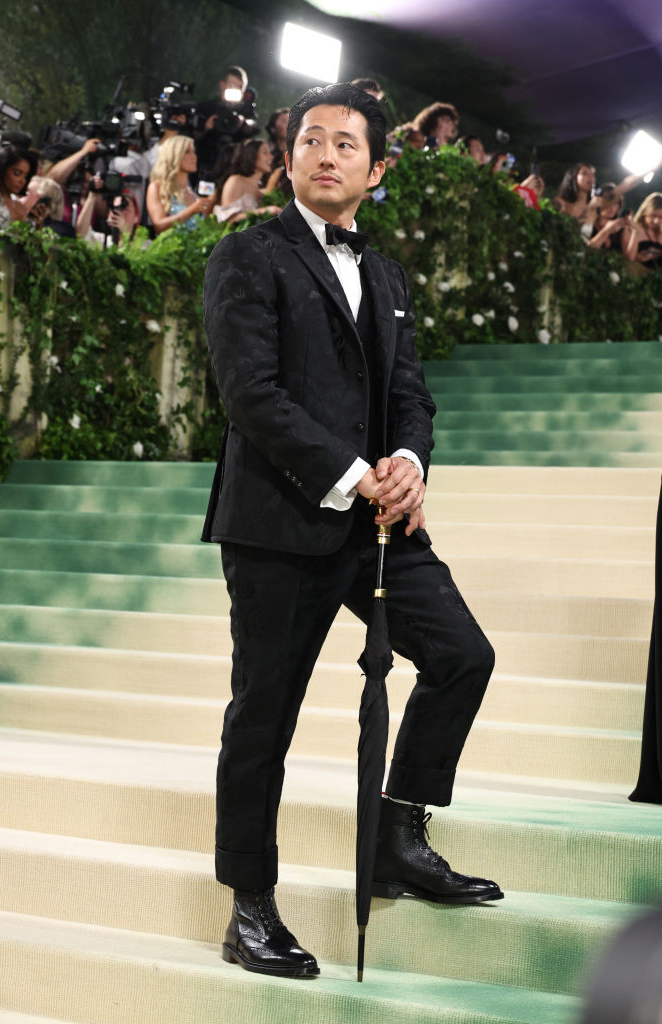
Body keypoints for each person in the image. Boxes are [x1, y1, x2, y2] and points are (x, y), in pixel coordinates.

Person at [202, 82, 502, 981]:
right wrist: (351, 473)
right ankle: (249, 909)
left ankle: (396, 839)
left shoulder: (386, 271)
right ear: (288, 157)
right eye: (310, 141)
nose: (325, 154)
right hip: (279, 524)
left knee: (460, 655)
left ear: (375, 169)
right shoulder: (248, 256)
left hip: (378, 523)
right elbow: (251, 395)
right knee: (263, 720)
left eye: (345, 145)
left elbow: (409, 390)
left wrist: (409, 461)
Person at [146, 135, 214, 234]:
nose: (193, 156)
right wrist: (191, 210)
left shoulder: (193, 191)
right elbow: (159, 226)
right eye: (187, 152)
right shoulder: (157, 187)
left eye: (193, 152)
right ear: (173, 155)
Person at [212, 138, 282, 224]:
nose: (271, 157)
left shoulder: (258, 188)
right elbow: (227, 220)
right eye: (265, 153)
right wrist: (264, 211)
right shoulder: (235, 181)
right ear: (251, 155)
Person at [0, 145, 36, 226]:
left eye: (26, 176)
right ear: (2, 169)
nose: (22, 181)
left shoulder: (21, 206)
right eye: (17, 173)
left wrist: (38, 224)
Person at [625, 192, 662, 270]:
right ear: (646, 211)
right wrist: (636, 232)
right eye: (653, 215)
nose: (656, 221)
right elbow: (628, 260)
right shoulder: (631, 228)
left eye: (660, 217)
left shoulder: (660, 234)